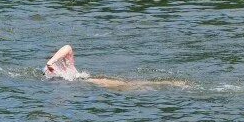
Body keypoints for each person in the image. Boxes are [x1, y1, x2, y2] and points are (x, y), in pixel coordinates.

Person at [44, 44, 189, 91]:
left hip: (93, 81)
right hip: (93, 81)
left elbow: (68, 47)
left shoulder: (61, 70)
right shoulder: (63, 70)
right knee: (134, 85)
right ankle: (172, 83)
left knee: (133, 86)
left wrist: (51, 62)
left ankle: (172, 83)